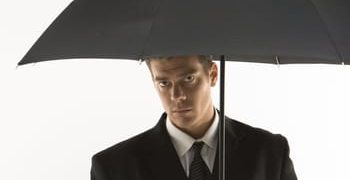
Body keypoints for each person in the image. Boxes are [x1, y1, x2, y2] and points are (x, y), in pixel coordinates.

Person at [90, 55, 297, 180]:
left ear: (213, 74)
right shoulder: (114, 167)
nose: (177, 95)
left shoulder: (269, 152)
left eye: (188, 79)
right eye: (164, 83)